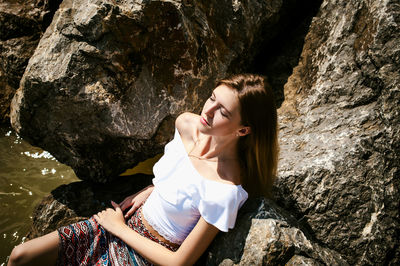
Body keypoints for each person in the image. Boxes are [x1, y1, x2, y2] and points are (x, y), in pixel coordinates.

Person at [8, 73, 279, 266]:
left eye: (223, 112)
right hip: (122, 222)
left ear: (243, 130)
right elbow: (179, 178)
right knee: (21, 255)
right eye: (212, 98)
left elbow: (179, 262)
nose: (208, 111)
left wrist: (119, 228)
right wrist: (152, 189)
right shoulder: (186, 125)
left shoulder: (225, 189)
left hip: (147, 253)